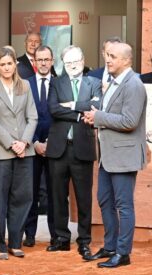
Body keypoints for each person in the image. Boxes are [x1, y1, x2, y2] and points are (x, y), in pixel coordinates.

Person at [82, 42, 148, 268]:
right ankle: (110, 247)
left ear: (126, 60)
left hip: (123, 156)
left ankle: (123, 253)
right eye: (107, 55)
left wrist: (98, 117)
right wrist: (94, 117)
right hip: (108, 156)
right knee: (105, 201)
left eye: (113, 56)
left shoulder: (134, 85)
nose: (107, 59)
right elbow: (109, 114)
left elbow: (130, 122)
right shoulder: (112, 82)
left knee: (123, 205)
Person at [0, 47, 38, 259]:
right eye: (2, 64)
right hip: (0, 151)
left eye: (10, 63)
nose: (6, 67)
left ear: (16, 64)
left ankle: (15, 242)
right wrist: (11, 143)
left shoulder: (25, 85)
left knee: (22, 198)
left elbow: (32, 117)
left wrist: (23, 142)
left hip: (25, 151)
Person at [46, 45, 102, 257]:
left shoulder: (94, 83)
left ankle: (84, 240)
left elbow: (97, 106)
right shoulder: (56, 83)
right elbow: (53, 109)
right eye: (68, 62)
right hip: (59, 148)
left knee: (84, 197)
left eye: (76, 61)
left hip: (83, 149)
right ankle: (61, 238)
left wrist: (71, 104)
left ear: (83, 60)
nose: (72, 66)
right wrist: (80, 114)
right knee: (58, 196)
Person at [23, 45, 56, 248]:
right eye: (39, 59)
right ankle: (30, 234)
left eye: (47, 59)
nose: (43, 63)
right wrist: (34, 142)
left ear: (52, 61)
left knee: (54, 193)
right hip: (31, 147)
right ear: (34, 62)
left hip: (55, 148)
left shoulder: (60, 84)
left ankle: (55, 234)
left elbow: (60, 117)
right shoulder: (26, 85)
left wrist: (50, 142)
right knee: (31, 192)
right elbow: (23, 116)